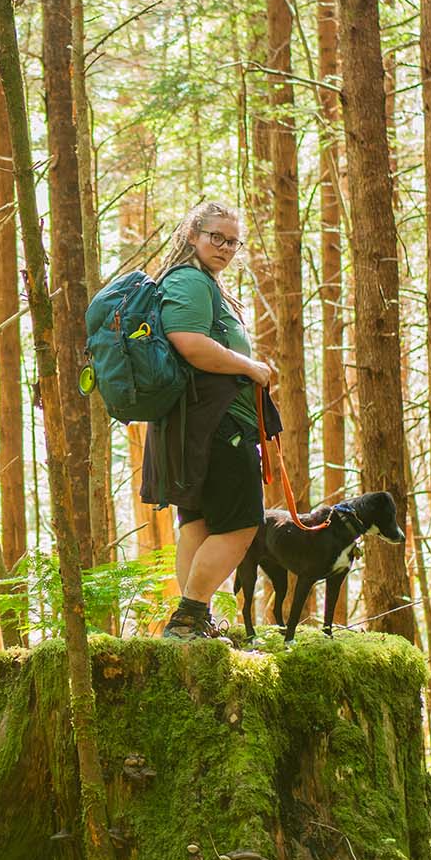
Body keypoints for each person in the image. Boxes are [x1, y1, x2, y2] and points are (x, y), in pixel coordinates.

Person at [139, 200, 278, 641]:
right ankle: (188, 616)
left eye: (232, 241)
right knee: (240, 523)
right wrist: (250, 366)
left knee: (197, 522)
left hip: (197, 423)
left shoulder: (199, 282)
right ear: (193, 235)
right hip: (215, 424)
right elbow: (188, 342)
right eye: (215, 236)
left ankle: (193, 622)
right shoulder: (188, 281)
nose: (224, 247)